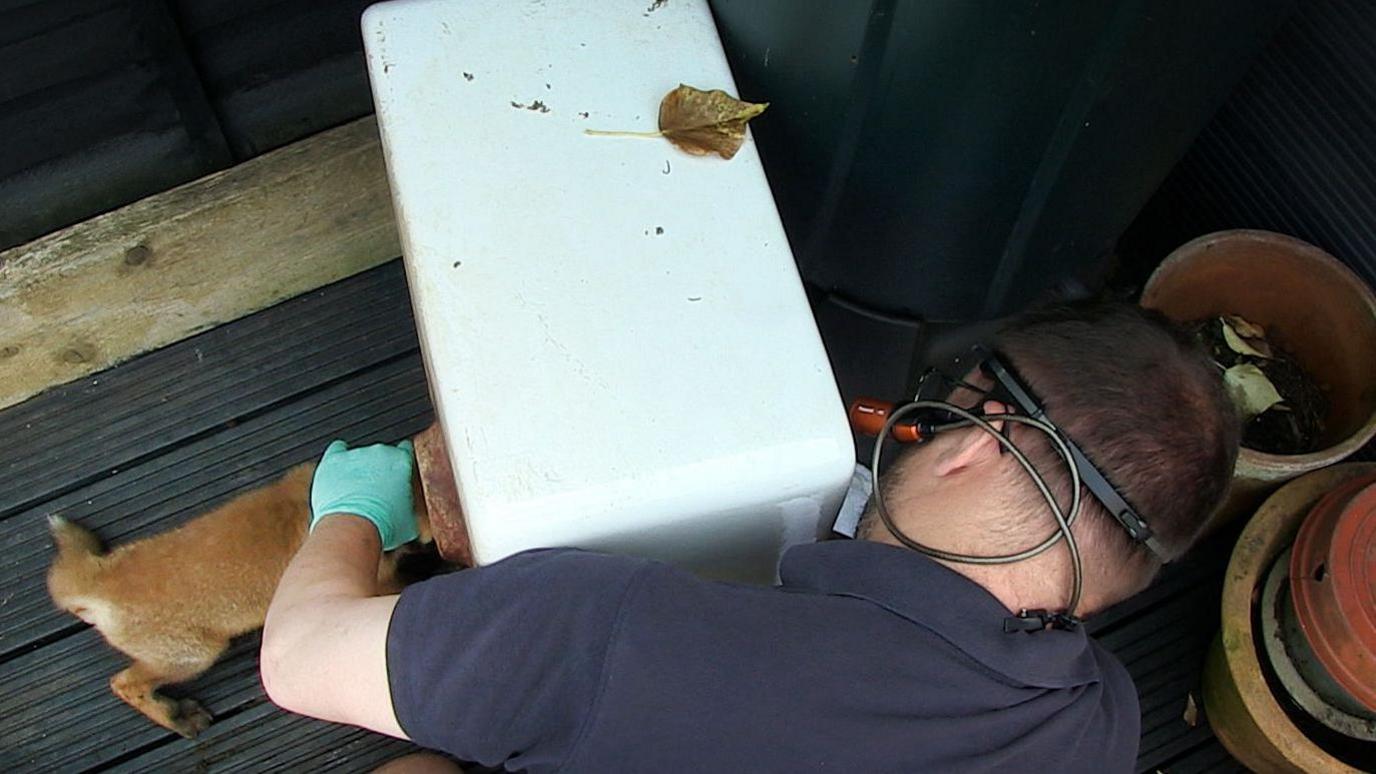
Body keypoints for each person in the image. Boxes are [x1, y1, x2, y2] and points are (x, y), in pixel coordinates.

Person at [260, 301, 1239, 772]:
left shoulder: (599, 633)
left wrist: (351, 512)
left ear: (973, 446)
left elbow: (298, 662)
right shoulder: (1101, 725)